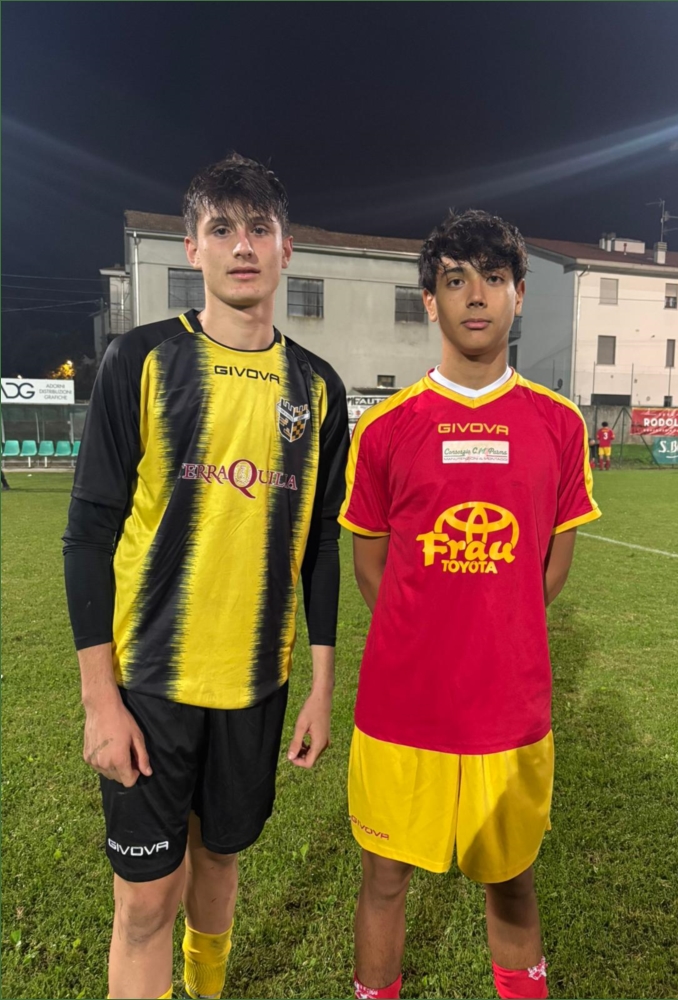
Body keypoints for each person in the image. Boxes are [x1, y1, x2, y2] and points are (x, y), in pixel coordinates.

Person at [62, 154, 349, 1000]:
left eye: (259, 228)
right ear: (193, 249)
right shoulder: (141, 360)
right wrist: (100, 702)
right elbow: (87, 536)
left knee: (219, 865)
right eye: (222, 228)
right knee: (146, 903)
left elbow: (321, 547)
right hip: (149, 684)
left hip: (257, 684)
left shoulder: (318, 388)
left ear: (287, 247)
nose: (243, 246)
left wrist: (321, 689)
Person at [339, 210, 601, 1000]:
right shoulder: (385, 429)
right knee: (385, 879)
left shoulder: (559, 426)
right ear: (430, 301)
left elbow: (550, 567)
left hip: (509, 709)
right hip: (403, 708)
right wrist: (430, 632)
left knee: (513, 880)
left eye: (493, 278)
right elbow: (370, 564)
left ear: (520, 294)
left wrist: (493, 626)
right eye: (455, 280)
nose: (476, 296)